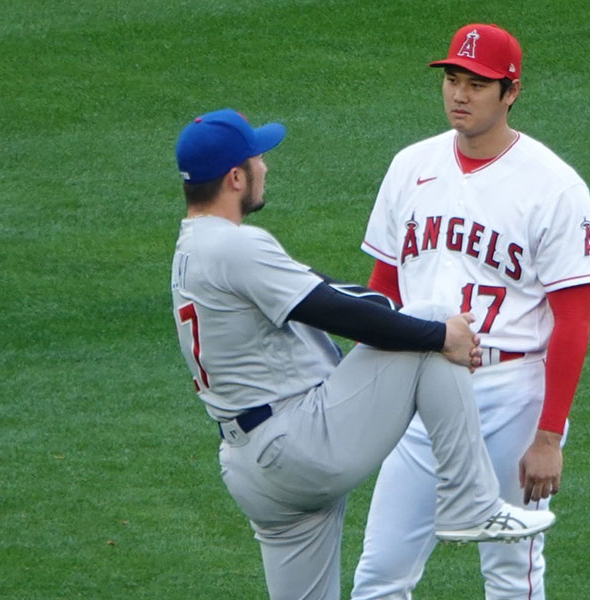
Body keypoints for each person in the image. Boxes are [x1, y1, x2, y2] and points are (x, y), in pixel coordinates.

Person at [169, 108, 556, 600]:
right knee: (434, 318)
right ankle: (470, 503)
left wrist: (399, 317)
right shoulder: (236, 248)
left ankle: (468, 498)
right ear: (235, 177)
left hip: (250, 467)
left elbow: (329, 291)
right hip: (296, 444)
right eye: (259, 159)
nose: (266, 168)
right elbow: (333, 309)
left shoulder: (193, 248)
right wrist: (439, 337)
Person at [353, 24, 590, 599]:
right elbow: (382, 288)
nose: (459, 94)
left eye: (477, 83)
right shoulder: (410, 166)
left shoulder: (555, 187)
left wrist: (547, 436)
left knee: (511, 575)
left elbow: (574, 319)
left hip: (509, 392)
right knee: (380, 574)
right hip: (420, 386)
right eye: (451, 79)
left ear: (510, 92)